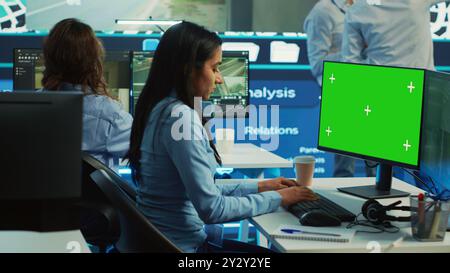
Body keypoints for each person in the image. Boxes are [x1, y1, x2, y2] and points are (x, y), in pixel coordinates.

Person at [126, 21, 318, 253]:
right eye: (215, 68)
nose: (220, 79)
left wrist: (262, 186)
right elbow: (212, 208)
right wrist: (280, 198)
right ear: (188, 68)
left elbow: (206, 189)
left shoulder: (159, 107)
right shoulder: (181, 118)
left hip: (165, 243)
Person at [41, 18, 132, 170]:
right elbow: (146, 153)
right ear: (93, 62)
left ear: (49, 57)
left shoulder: (29, 108)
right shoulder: (110, 115)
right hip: (94, 194)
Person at [304, 0, 374, 177]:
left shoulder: (369, 6)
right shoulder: (322, 12)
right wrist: (354, 48)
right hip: (343, 92)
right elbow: (318, 65)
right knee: (345, 169)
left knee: (379, 167)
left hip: (373, 88)